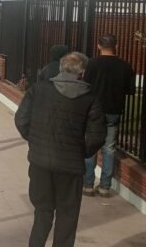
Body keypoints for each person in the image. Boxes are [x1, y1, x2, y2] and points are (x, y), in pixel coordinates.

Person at [15, 52, 106, 247]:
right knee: (68, 215)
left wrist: (36, 142)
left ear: (61, 67)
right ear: (82, 72)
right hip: (71, 168)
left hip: (40, 163)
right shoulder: (90, 98)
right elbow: (97, 136)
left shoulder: (39, 89)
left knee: (42, 211)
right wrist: (81, 152)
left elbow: (21, 120)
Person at [82, 34, 136, 198]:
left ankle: (88, 185)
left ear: (99, 46)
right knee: (109, 149)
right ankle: (105, 187)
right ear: (116, 46)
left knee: (90, 148)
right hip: (113, 111)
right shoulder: (125, 66)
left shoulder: (92, 64)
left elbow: (85, 86)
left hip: (93, 111)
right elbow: (130, 90)